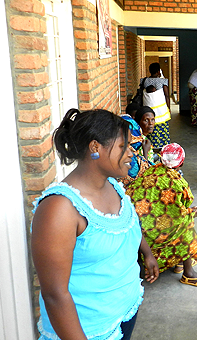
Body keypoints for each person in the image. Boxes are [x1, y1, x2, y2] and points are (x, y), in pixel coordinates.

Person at [31, 108, 159, 340]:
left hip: (125, 313)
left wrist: (146, 253)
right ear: (95, 148)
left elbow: (127, 223)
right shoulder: (59, 209)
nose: (131, 153)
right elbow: (55, 294)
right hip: (88, 330)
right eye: (123, 146)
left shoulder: (113, 185)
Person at [126, 143, 197, 287]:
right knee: (185, 222)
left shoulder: (151, 170)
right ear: (182, 163)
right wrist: (196, 211)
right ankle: (188, 273)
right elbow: (184, 204)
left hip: (136, 227)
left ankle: (179, 261)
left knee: (176, 217)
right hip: (154, 233)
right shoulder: (177, 181)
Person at [119, 105, 153, 188]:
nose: (151, 123)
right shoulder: (131, 158)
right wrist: (145, 152)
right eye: (146, 120)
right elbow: (147, 177)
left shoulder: (140, 145)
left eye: (152, 120)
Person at [141, 62, 171, 149]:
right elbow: (166, 95)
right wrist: (168, 108)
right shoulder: (162, 81)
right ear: (158, 71)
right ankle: (163, 146)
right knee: (162, 128)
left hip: (148, 110)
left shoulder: (145, 81)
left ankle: (151, 146)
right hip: (161, 111)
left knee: (150, 126)